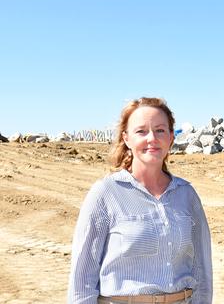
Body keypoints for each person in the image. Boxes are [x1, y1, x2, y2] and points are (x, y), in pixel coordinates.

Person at [68, 97, 212, 304]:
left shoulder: (187, 195)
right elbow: (82, 280)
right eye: (141, 131)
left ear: (171, 137)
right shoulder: (106, 193)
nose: (152, 138)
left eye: (160, 130)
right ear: (126, 139)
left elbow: (202, 270)